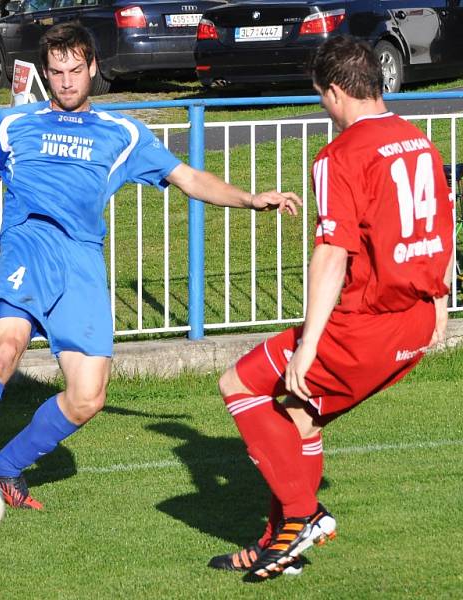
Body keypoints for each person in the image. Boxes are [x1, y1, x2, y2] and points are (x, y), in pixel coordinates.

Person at [0, 22, 300, 522]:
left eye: (75, 70)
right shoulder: (12, 127)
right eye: (56, 72)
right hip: (29, 248)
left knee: (88, 397)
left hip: (82, 263)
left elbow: (188, 178)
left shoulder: (123, 134)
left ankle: (2, 468)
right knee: (4, 349)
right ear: (45, 75)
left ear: (93, 68)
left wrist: (249, 198)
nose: (66, 81)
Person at [210, 35, 454, 581]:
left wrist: (310, 346)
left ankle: (304, 514)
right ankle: (279, 546)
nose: (323, 106)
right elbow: (441, 228)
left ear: (337, 91)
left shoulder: (340, 154)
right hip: (413, 321)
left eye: (321, 95)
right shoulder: (419, 141)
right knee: (299, 413)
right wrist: (440, 305)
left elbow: (332, 253)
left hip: (363, 324)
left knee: (240, 385)